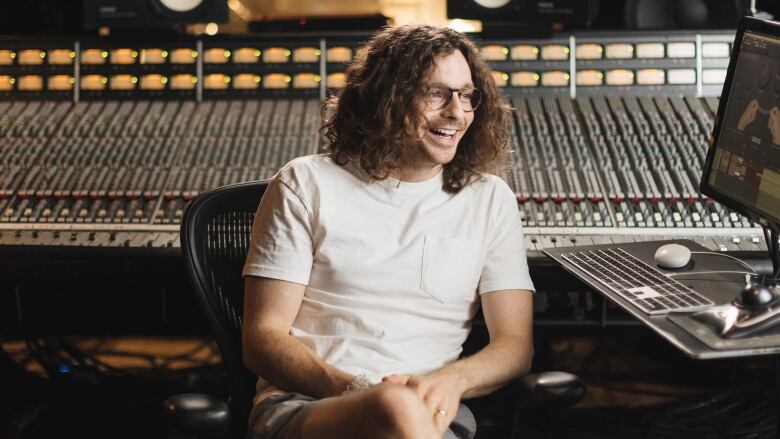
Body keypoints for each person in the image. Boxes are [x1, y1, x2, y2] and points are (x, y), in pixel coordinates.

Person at [241, 23, 535, 439]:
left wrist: (452, 381)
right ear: (386, 97)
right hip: (309, 405)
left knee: (400, 409)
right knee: (393, 405)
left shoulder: (490, 199)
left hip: (433, 414)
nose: (457, 112)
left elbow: (515, 346)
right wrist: (361, 392)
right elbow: (262, 339)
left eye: (467, 95)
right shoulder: (305, 183)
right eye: (436, 93)